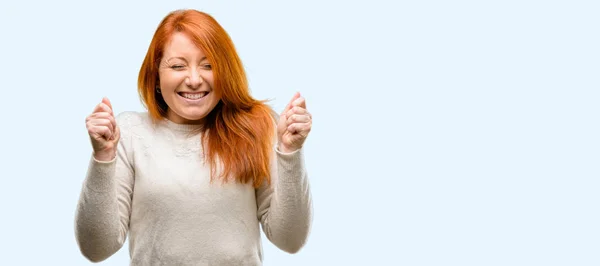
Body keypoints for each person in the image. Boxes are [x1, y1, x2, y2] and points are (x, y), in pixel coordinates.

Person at [74, 9, 313, 265]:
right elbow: (96, 249)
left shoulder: (257, 127)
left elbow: (290, 241)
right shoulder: (129, 133)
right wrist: (103, 156)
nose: (195, 79)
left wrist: (289, 152)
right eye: (178, 66)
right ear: (156, 75)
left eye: (209, 65)